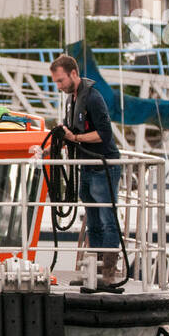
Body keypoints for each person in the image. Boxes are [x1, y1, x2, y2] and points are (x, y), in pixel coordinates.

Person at [49, 54, 122, 284]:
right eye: (56, 82)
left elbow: (104, 134)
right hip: (87, 166)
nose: (58, 86)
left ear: (73, 73)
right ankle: (95, 271)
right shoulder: (72, 99)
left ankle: (107, 273)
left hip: (103, 165)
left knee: (106, 217)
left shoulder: (92, 98)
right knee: (93, 219)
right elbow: (70, 129)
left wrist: (76, 137)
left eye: (60, 81)